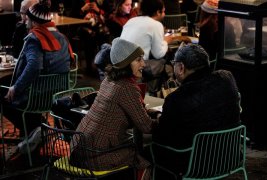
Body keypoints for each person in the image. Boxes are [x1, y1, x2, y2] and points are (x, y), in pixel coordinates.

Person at [70, 38, 159, 180]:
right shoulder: (127, 88)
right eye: (138, 60)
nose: (143, 63)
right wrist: (161, 119)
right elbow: (146, 127)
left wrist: (147, 113)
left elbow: (126, 112)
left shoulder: (109, 80)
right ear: (125, 64)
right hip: (96, 155)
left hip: (79, 149)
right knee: (147, 158)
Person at [152, 43, 241, 178]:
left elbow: (164, 136)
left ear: (181, 67)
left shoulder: (176, 98)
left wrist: (158, 117)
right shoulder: (227, 78)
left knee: (149, 150)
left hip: (196, 165)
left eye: (174, 64)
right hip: (230, 157)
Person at [1, 0, 73, 139]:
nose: (25, 19)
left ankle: (34, 128)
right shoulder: (62, 37)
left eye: (27, 17)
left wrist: (16, 88)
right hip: (58, 94)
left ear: (33, 21)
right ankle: (37, 128)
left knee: (4, 92)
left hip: (36, 96)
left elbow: (34, 67)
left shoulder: (35, 38)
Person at [70, 0, 112, 75]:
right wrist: (82, 9)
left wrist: (98, 10)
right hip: (82, 27)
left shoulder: (102, 2)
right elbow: (71, 16)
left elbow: (109, 14)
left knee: (103, 35)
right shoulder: (78, 2)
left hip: (99, 27)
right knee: (89, 36)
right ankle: (89, 67)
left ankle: (103, 65)